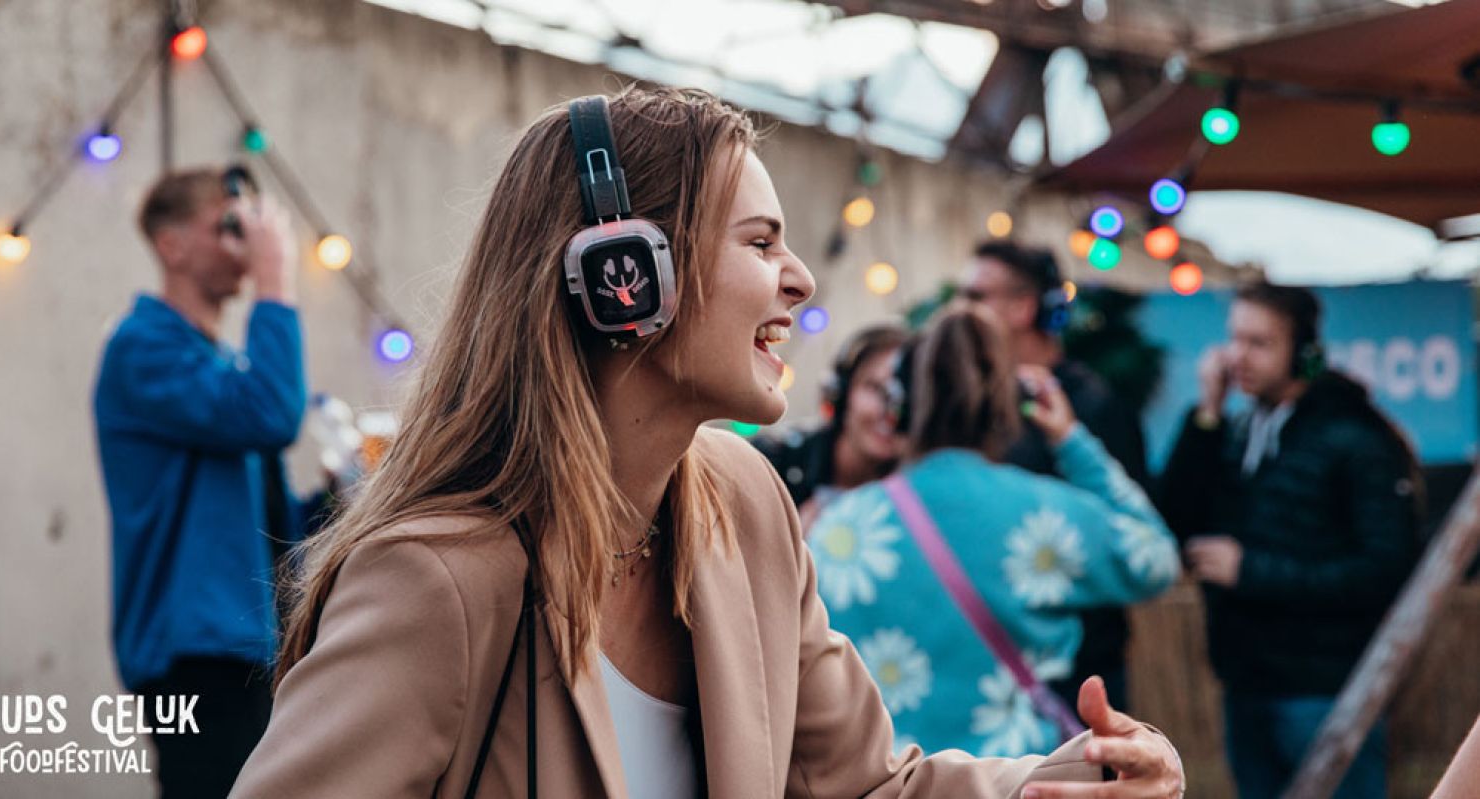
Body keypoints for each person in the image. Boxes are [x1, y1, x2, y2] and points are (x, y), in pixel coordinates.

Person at [229, 87, 1184, 798]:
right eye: (761, 243)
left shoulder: (747, 502)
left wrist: (1046, 784)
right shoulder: (435, 579)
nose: (800, 279)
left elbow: (860, 785)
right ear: (621, 279)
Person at [807, 302, 1179, 759]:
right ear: (1010, 404)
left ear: (900, 407)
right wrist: (1070, 440)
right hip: (1016, 779)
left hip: (888, 781)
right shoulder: (1045, 517)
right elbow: (1156, 557)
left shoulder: (837, 531)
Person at [93, 167, 325, 797]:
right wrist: (276, 280)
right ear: (172, 246)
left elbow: (261, 531)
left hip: (247, 644)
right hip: (192, 653)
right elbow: (272, 415)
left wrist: (336, 494)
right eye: (227, 226)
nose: (242, 244)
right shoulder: (141, 349)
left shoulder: (222, 366)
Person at [1156, 280, 1423, 799]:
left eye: (1259, 343)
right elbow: (1176, 519)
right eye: (1234, 339)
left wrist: (1250, 571)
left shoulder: (1355, 438)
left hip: (1325, 689)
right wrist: (1206, 415)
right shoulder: (1237, 428)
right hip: (1246, 681)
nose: (1239, 357)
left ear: (1303, 353)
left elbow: (1386, 569)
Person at [959, 241, 1150, 711]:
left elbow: (1131, 537)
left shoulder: (1094, 406)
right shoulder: (978, 402)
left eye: (976, 295)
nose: (961, 310)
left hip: (1079, 669)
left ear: (1023, 307)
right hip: (993, 662)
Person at [752, 323, 907, 528]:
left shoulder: (915, 494)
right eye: (876, 388)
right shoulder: (770, 464)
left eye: (904, 396)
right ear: (840, 394)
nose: (890, 411)